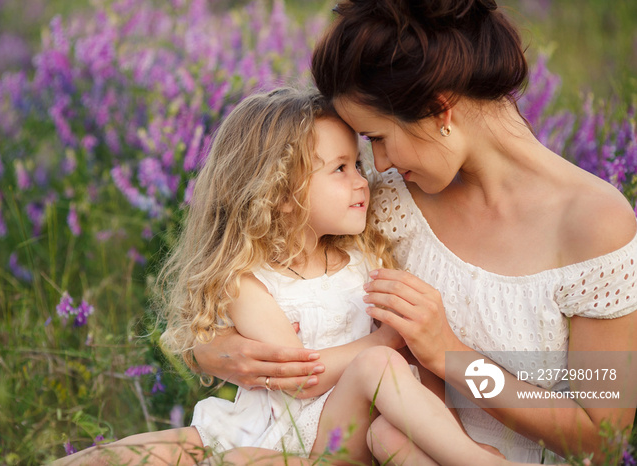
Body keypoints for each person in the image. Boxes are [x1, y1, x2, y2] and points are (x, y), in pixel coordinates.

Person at [194, 0, 637, 463]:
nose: (377, 165)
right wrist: (215, 352)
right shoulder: (387, 200)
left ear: (438, 109)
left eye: (379, 138)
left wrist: (451, 356)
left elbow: (601, 439)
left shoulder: (594, 223)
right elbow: (245, 267)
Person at [51, 87, 532, 465]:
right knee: (124, 454)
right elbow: (299, 377)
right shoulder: (248, 282)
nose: (364, 181)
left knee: (383, 397)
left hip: (337, 441)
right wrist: (387, 341)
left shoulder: (366, 259)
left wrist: (406, 365)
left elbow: (417, 378)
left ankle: (471, 457)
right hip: (271, 432)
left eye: (357, 164)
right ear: (280, 194)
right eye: (340, 169)